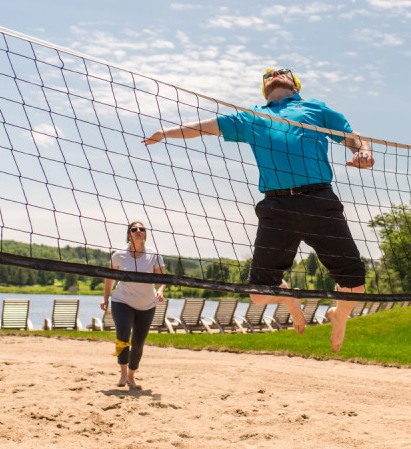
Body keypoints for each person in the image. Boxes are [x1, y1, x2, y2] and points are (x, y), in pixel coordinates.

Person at [143, 68, 374, 352]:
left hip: (319, 200)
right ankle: (289, 298)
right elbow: (205, 127)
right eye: (270, 74)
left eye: (282, 72)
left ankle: (339, 316)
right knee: (258, 295)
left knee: (356, 288)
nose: (275, 74)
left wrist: (362, 150)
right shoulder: (252, 116)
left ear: (295, 85)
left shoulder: (315, 108)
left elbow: (352, 137)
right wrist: (165, 133)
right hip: (276, 206)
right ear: (264, 88)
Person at [101, 221, 167, 389]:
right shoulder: (118, 255)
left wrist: (160, 291)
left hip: (147, 304)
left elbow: (162, 280)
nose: (138, 231)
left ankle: (131, 375)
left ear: (145, 233)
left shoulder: (154, 254)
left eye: (141, 229)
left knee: (138, 343)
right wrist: (105, 298)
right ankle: (123, 372)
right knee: (123, 333)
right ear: (129, 234)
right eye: (134, 229)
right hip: (122, 300)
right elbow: (109, 278)